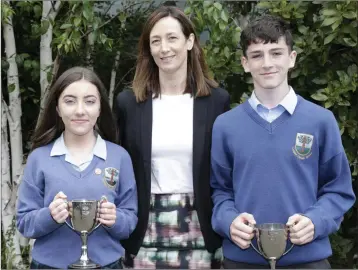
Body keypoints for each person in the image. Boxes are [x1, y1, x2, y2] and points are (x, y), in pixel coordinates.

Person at [210, 15, 356, 269]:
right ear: (245, 63)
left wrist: (317, 221)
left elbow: (339, 190)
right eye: (257, 55)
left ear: (292, 58)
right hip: (242, 260)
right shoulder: (225, 125)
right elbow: (219, 190)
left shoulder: (321, 121)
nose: (267, 63)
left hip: (308, 260)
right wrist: (228, 220)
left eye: (276, 53)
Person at [115, 5, 230, 269]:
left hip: (201, 227)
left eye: (172, 38)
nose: (164, 48)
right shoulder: (128, 103)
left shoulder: (217, 101)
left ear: (190, 41)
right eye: (155, 41)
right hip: (146, 228)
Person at [17, 67, 138, 269]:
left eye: (90, 101)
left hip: (106, 264)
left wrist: (116, 219)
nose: (80, 110)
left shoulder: (119, 157)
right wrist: (50, 215)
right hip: (49, 266)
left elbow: (130, 221)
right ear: (57, 108)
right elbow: (24, 223)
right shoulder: (39, 158)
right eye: (69, 101)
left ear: (100, 108)